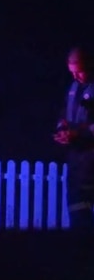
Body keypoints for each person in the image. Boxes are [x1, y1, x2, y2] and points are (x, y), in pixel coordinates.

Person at [53, 46, 94, 229]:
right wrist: (62, 127)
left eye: (80, 72)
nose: (76, 77)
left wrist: (80, 134)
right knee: (76, 210)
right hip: (77, 161)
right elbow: (65, 111)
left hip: (91, 159)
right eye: (72, 72)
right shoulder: (74, 87)